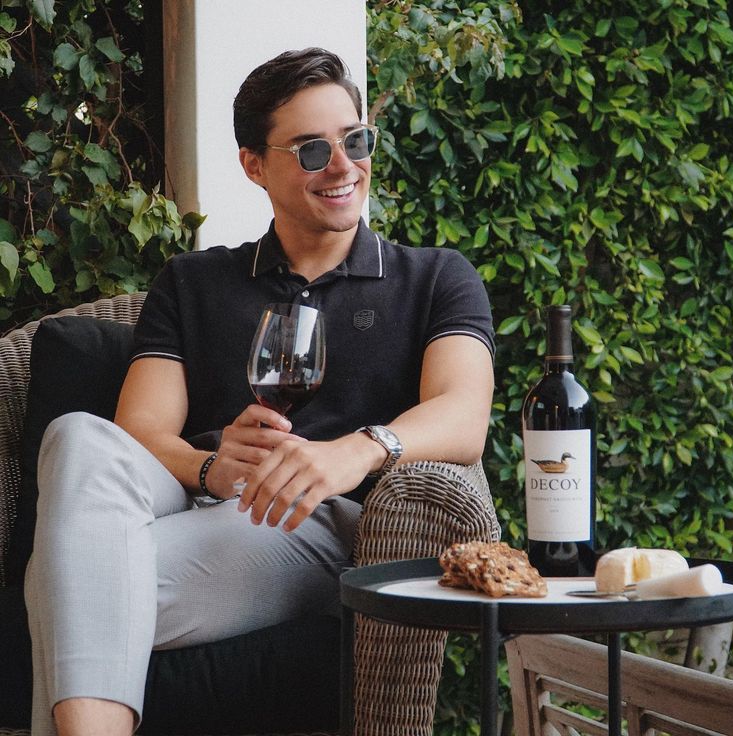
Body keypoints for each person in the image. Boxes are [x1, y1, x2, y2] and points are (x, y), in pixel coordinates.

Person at [24, 47, 495, 735]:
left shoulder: (435, 278)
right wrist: (215, 466)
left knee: (62, 582)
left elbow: (463, 416)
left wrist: (353, 452)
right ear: (254, 164)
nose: (343, 167)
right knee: (77, 436)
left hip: (314, 522)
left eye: (355, 140)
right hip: (187, 498)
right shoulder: (192, 282)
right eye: (311, 151)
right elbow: (140, 433)